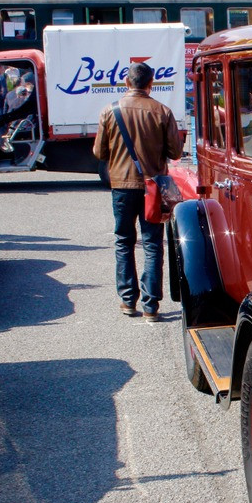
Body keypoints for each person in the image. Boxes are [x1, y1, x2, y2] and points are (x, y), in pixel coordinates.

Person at [93, 62, 183, 323]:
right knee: (153, 244)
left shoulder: (110, 111)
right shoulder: (162, 111)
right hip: (153, 187)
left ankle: (127, 300)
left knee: (124, 240)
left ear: (126, 83)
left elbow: (99, 153)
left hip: (121, 185)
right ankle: (151, 306)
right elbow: (175, 153)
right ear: (151, 83)